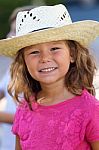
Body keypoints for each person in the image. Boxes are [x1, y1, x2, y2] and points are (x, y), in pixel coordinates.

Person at [0, 4, 99, 150]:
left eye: (54, 48)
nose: (45, 58)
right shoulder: (24, 109)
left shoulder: (90, 109)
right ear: (24, 61)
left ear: (72, 54)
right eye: (34, 52)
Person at [0, 5, 39, 150]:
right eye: (10, 30)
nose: (9, 35)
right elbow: (5, 90)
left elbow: (34, 118)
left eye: (15, 31)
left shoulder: (36, 73)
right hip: (8, 143)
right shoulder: (13, 67)